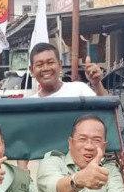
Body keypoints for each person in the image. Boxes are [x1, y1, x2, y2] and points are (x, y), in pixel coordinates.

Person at [16, 42, 108, 171]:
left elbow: (107, 113)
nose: (46, 68)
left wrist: (97, 84)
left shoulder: (79, 89)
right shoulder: (30, 105)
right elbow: (23, 142)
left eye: (50, 62)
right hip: (50, 171)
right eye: (40, 64)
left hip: (87, 164)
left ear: (59, 65)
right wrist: (23, 172)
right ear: (32, 70)